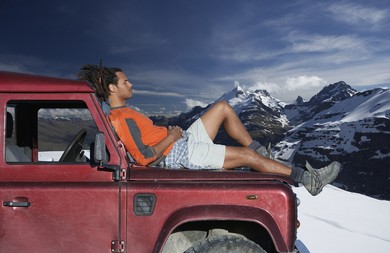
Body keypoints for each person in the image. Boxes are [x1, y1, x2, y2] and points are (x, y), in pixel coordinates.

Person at [77, 64, 341, 196]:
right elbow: (145, 157)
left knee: (224, 107)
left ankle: (263, 153)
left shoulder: (124, 113)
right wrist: (171, 136)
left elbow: (146, 140)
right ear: (113, 89)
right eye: (125, 81)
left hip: (179, 143)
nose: (131, 84)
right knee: (247, 159)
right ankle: (309, 180)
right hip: (178, 153)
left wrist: (170, 134)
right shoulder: (120, 117)